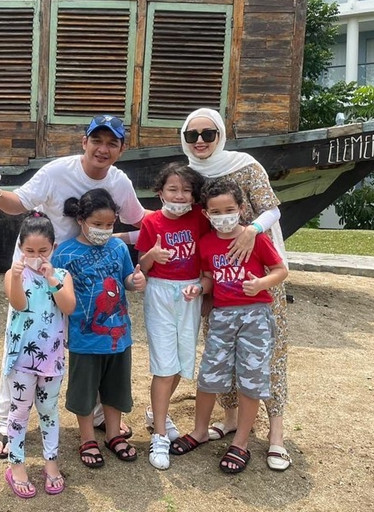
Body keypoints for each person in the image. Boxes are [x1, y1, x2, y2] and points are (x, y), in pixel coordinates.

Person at [0, 114, 145, 457]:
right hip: (37, 271)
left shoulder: (120, 183)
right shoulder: (57, 172)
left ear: (121, 149)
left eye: (111, 143)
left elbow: (144, 222)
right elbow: (19, 203)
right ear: (83, 142)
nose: (103, 149)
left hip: (84, 281)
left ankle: (98, 411)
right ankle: (7, 420)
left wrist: (122, 236)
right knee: (21, 340)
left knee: (89, 341)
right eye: (96, 140)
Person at [180, 108, 292, 470]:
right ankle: (229, 421)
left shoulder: (245, 165)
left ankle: (275, 434)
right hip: (218, 276)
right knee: (219, 351)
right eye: (192, 134)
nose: (200, 141)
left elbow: (271, 208)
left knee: (267, 356)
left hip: (256, 275)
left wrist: (252, 230)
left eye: (208, 134)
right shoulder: (189, 174)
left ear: (221, 134)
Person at [53, 188, 147, 468]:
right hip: (84, 338)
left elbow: (126, 278)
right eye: (97, 224)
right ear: (81, 220)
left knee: (116, 389)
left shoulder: (118, 248)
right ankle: (87, 439)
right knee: (84, 391)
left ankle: (114, 434)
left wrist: (135, 281)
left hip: (119, 336)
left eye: (109, 225)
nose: (104, 230)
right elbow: (56, 293)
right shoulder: (64, 253)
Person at [135, 162, 210, 470]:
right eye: (173, 190)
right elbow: (143, 265)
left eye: (186, 191)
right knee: (164, 365)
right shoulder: (151, 222)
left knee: (181, 362)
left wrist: (202, 290)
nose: (179, 196)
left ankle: (157, 412)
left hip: (190, 293)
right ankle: (161, 434)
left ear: (195, 196)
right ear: (160, 192)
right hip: (160, 294)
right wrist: (152, 256)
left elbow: (207, 267)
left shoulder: (201, 220)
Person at [1, 211, 76, 498]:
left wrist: (53, 279)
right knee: (19, 411)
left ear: (53, 247)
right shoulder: (12, 274)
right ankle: (16, 466)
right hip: (22, 358)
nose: (36, 256)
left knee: (48, 412)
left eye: (43, 251)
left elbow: (68, 307)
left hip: (52, 359)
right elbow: (19, 305)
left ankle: (51, 463)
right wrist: (18, 278)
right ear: (20, 249)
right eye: (30, 251)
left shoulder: (63, 275)